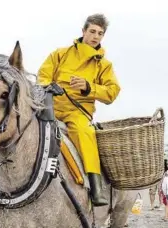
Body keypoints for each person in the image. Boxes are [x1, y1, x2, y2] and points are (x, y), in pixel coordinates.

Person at [37, 13, 120, 206]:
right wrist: (49, 85)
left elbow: (112, 91)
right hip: (51, 106)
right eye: (92, 31)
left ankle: (96, 188)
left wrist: (89, 87)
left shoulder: (104, 65)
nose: (96, 36)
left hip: (78, 113)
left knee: (86, 133)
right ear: (83, 31)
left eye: (100, 33)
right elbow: (43, 75)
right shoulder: (60, 53)